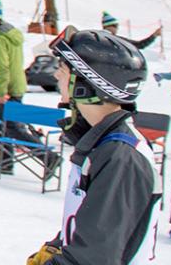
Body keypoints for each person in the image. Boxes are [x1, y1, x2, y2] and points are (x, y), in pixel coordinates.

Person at [24, 27, 159, 264]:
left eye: (62, 70)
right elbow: (94, 223)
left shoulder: (120, 158)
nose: (56, 76)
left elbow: (94, 258)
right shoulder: (103, 145)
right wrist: (59, 245)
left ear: (86, 84)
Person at [0, 0, 38, 174]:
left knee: (11, 127)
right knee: (6, 126)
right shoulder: (10, 36)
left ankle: (48, 157)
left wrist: (0, 91)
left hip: (8, 89)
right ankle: (5, 162)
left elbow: (3, 68)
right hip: (17, 85)